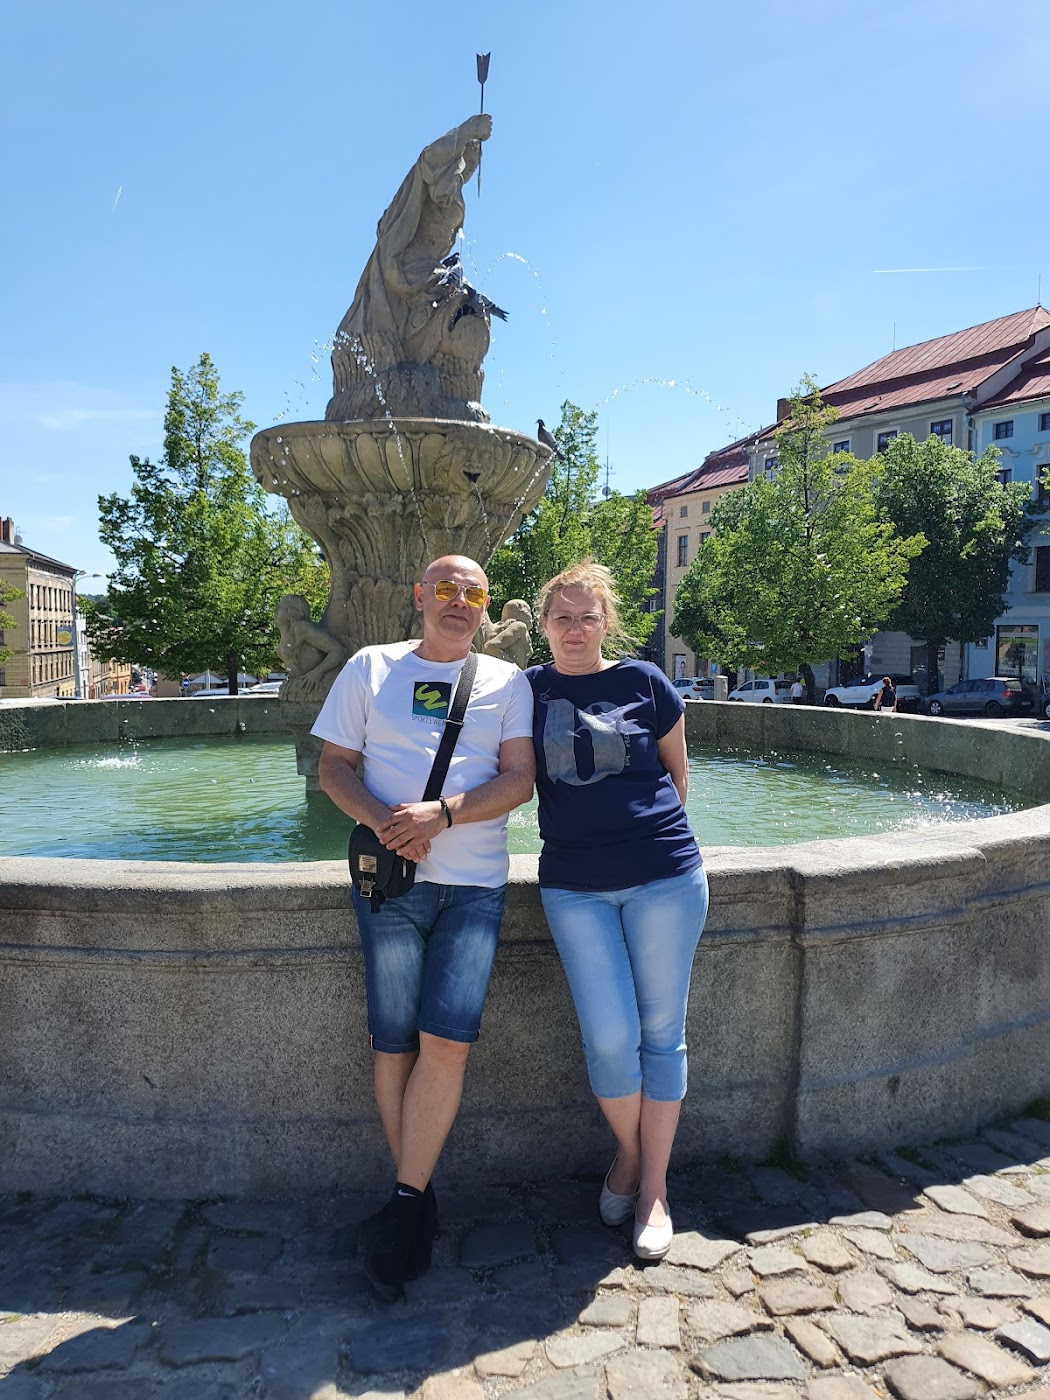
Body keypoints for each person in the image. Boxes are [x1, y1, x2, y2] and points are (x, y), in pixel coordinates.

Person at [312, 555, 535, 1299]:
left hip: (474, 888)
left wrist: (442, 815)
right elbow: (334, 767)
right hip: (391, 886)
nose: (458, 601)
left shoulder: (507, 681)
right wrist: (387, 823)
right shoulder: (369, 668)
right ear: (419, 596)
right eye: (445, 589)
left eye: (473, 592)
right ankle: (415, 1195)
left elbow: (519, 779)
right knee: (394, 1040)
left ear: (486, 605)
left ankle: (406, 1203)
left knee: (448, 1040)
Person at [526, 561, 708, 1262]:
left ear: (606, 622)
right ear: (543, 625)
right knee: (609, 1039)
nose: (574, 629)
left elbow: (677, 776)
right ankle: (629, 1157)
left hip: (665, 877)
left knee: (662, 1033)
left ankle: (653, 1187)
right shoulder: (525, 691)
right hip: (574, 885)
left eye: (587, 617)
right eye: (561, 618)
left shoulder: (646, 681)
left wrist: (643, 844)